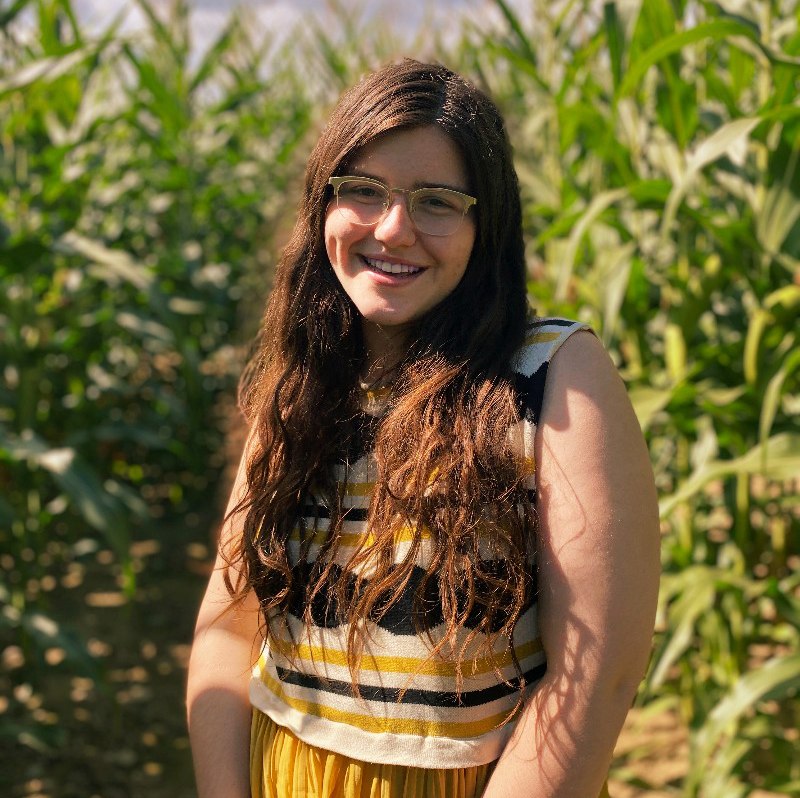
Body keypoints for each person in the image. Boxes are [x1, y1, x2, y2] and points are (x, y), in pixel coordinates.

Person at [187, 59, 660, 798]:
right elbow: (225, 632)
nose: (393, 228)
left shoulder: (551, 375)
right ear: (324, 206)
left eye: (437, 202)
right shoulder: (300, 387)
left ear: (486, 225)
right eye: (363, 191)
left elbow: (594, 678)